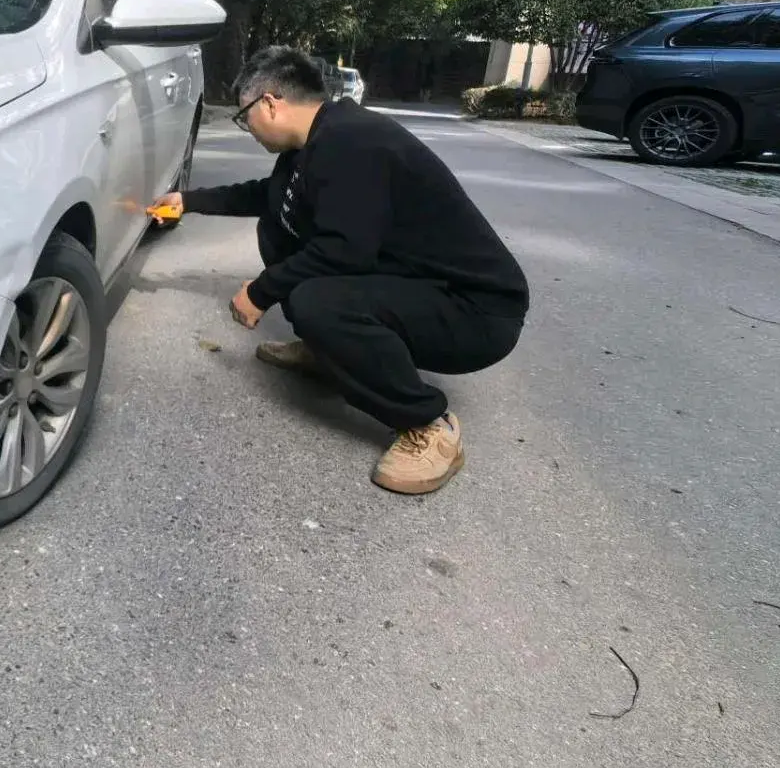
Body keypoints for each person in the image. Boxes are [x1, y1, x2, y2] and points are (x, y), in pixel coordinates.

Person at [156, 46, 528, 495]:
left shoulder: (354, 142)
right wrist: (190, 202)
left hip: (475, 312)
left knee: (319, 302)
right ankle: (334, 352)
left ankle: (428, 424)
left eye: (243, 117)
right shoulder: (314, 142)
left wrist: (260, 291)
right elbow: (269, 196)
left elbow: (344, 251)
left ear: (270, 103)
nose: (246, 128)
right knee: (280, 227)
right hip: (418, 284)